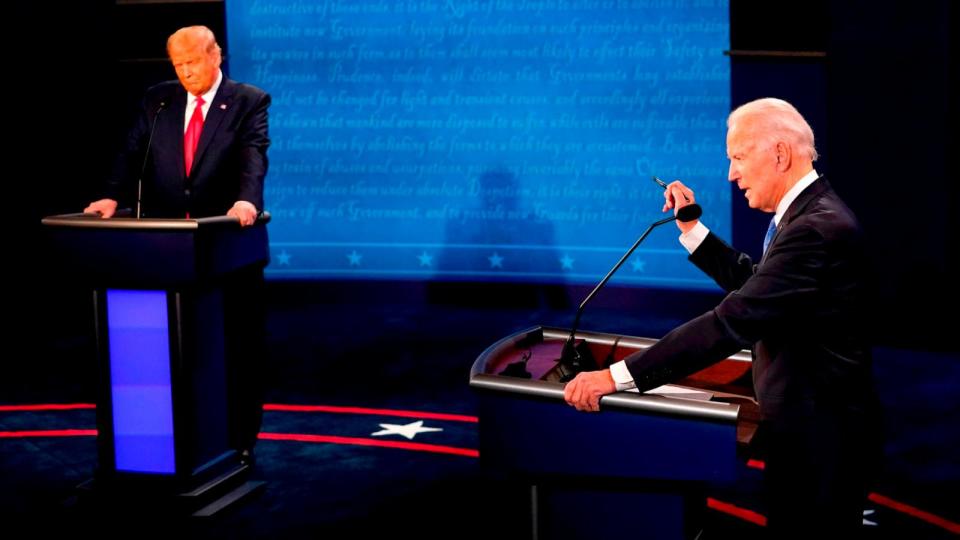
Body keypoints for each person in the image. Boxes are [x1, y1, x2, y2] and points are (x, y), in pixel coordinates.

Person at [563, 98, 880, 537]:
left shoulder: (814, 229)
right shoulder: (811, 215)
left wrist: (614, 379)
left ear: (780, 154)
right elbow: (758, 284)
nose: (732, 174)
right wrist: (691, 229)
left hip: (820, 436)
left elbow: (733, 321)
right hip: (812, 427)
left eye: (738, 157)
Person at [85, 25, 271, 463]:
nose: (186, 71)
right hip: (165, 250)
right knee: (177, 352)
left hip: (227, 246)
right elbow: (132, 152)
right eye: (179, 64)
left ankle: (241, 438)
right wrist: (113, 193)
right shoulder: (159, 99)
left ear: (216, 55)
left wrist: (247, 199)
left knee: (237, 348)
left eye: (193, 61)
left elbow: (253, 153)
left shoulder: (248, 100)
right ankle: (180, 439)